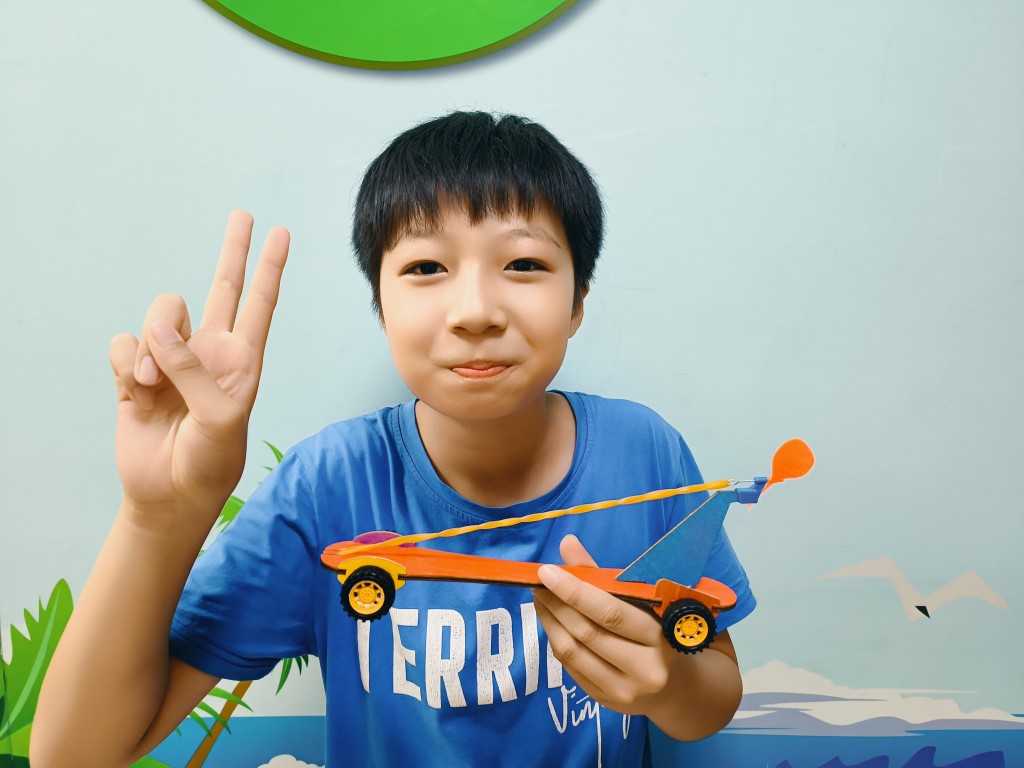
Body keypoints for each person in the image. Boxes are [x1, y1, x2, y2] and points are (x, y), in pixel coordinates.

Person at [32, 112, 754, 768]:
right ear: (382, 307)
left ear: (577, 305)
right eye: (426, 268)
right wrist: (159, 515)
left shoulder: (644, 450)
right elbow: (73, 757)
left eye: (524, 264)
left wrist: (670, 686)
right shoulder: (326, 488)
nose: (475, 310)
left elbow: (711, 697)